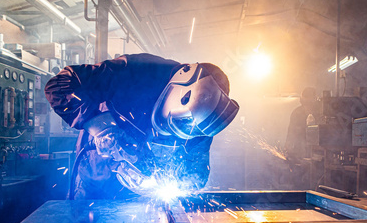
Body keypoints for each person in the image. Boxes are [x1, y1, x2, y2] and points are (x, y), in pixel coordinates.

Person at [45, 53, 239, 200]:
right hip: (95, 178)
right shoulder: (135, 71)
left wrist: (182, 182)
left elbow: (196, 174)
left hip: (139, 197)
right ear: (177, 93)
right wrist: (100, 126)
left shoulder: (204, 118)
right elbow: (59, 85)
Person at [285, 87, 319, 159]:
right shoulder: (297, 113)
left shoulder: (322, 114)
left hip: (318, 152)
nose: (307, 107)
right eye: (306, 103)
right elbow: (291, 133)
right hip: (300, 152)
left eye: (309, 104)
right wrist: (288, 149)